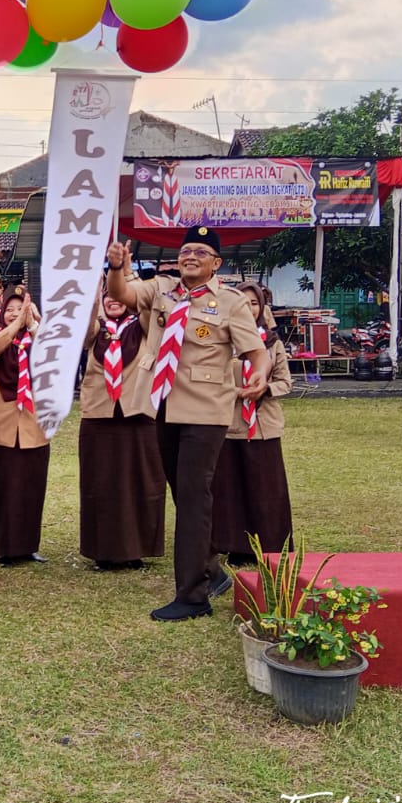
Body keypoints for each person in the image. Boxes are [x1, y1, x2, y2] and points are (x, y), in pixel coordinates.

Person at [105, 227, 270, 622]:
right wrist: (115, 267)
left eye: (201, 251)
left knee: (195, 497)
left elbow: (255, 351)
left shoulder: (229, 302)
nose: (190, 256)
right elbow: (121, 295)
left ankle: (193, 595)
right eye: (185, 251)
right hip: (162, 403)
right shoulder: (161, 289)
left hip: (206, 408)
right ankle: (211, 570)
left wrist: (260, 374)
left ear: (217, 262)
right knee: (184, 493)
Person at [79, 291, 165, 572]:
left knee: (139, 483)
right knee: (101, 484)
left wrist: (128, 283)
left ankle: (136, 549)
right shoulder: (97, 330)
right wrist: (92, 303)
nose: (113, 301)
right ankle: (103, 551)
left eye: (119, 297)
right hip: (100, 416)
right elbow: (82, 335)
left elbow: (152, 308)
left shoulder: (141, 326)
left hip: (137, 414)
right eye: (108, 298)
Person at [211, 283, 294, 565]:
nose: (249, 308)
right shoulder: (222, 342)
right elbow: (212, 379)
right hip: (229, 423)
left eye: (254, 303)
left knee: (266, 488)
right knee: (231, 487)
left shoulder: (272, 343)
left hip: (264, 425)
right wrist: (237, 392)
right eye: (243, 303)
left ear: (262, 308)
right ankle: (236, 546)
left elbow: (285, 382)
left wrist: (265, 389)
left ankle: (270, 545)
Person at [0, 285, 49, 565]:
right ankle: (0, 546)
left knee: (30, 484)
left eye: (21, 308)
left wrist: (35, 323)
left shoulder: (39, 337)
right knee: (0, 483)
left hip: (33, 423)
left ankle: (28, 545)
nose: (16, 313)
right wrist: (17, 325)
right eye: (10, 310)